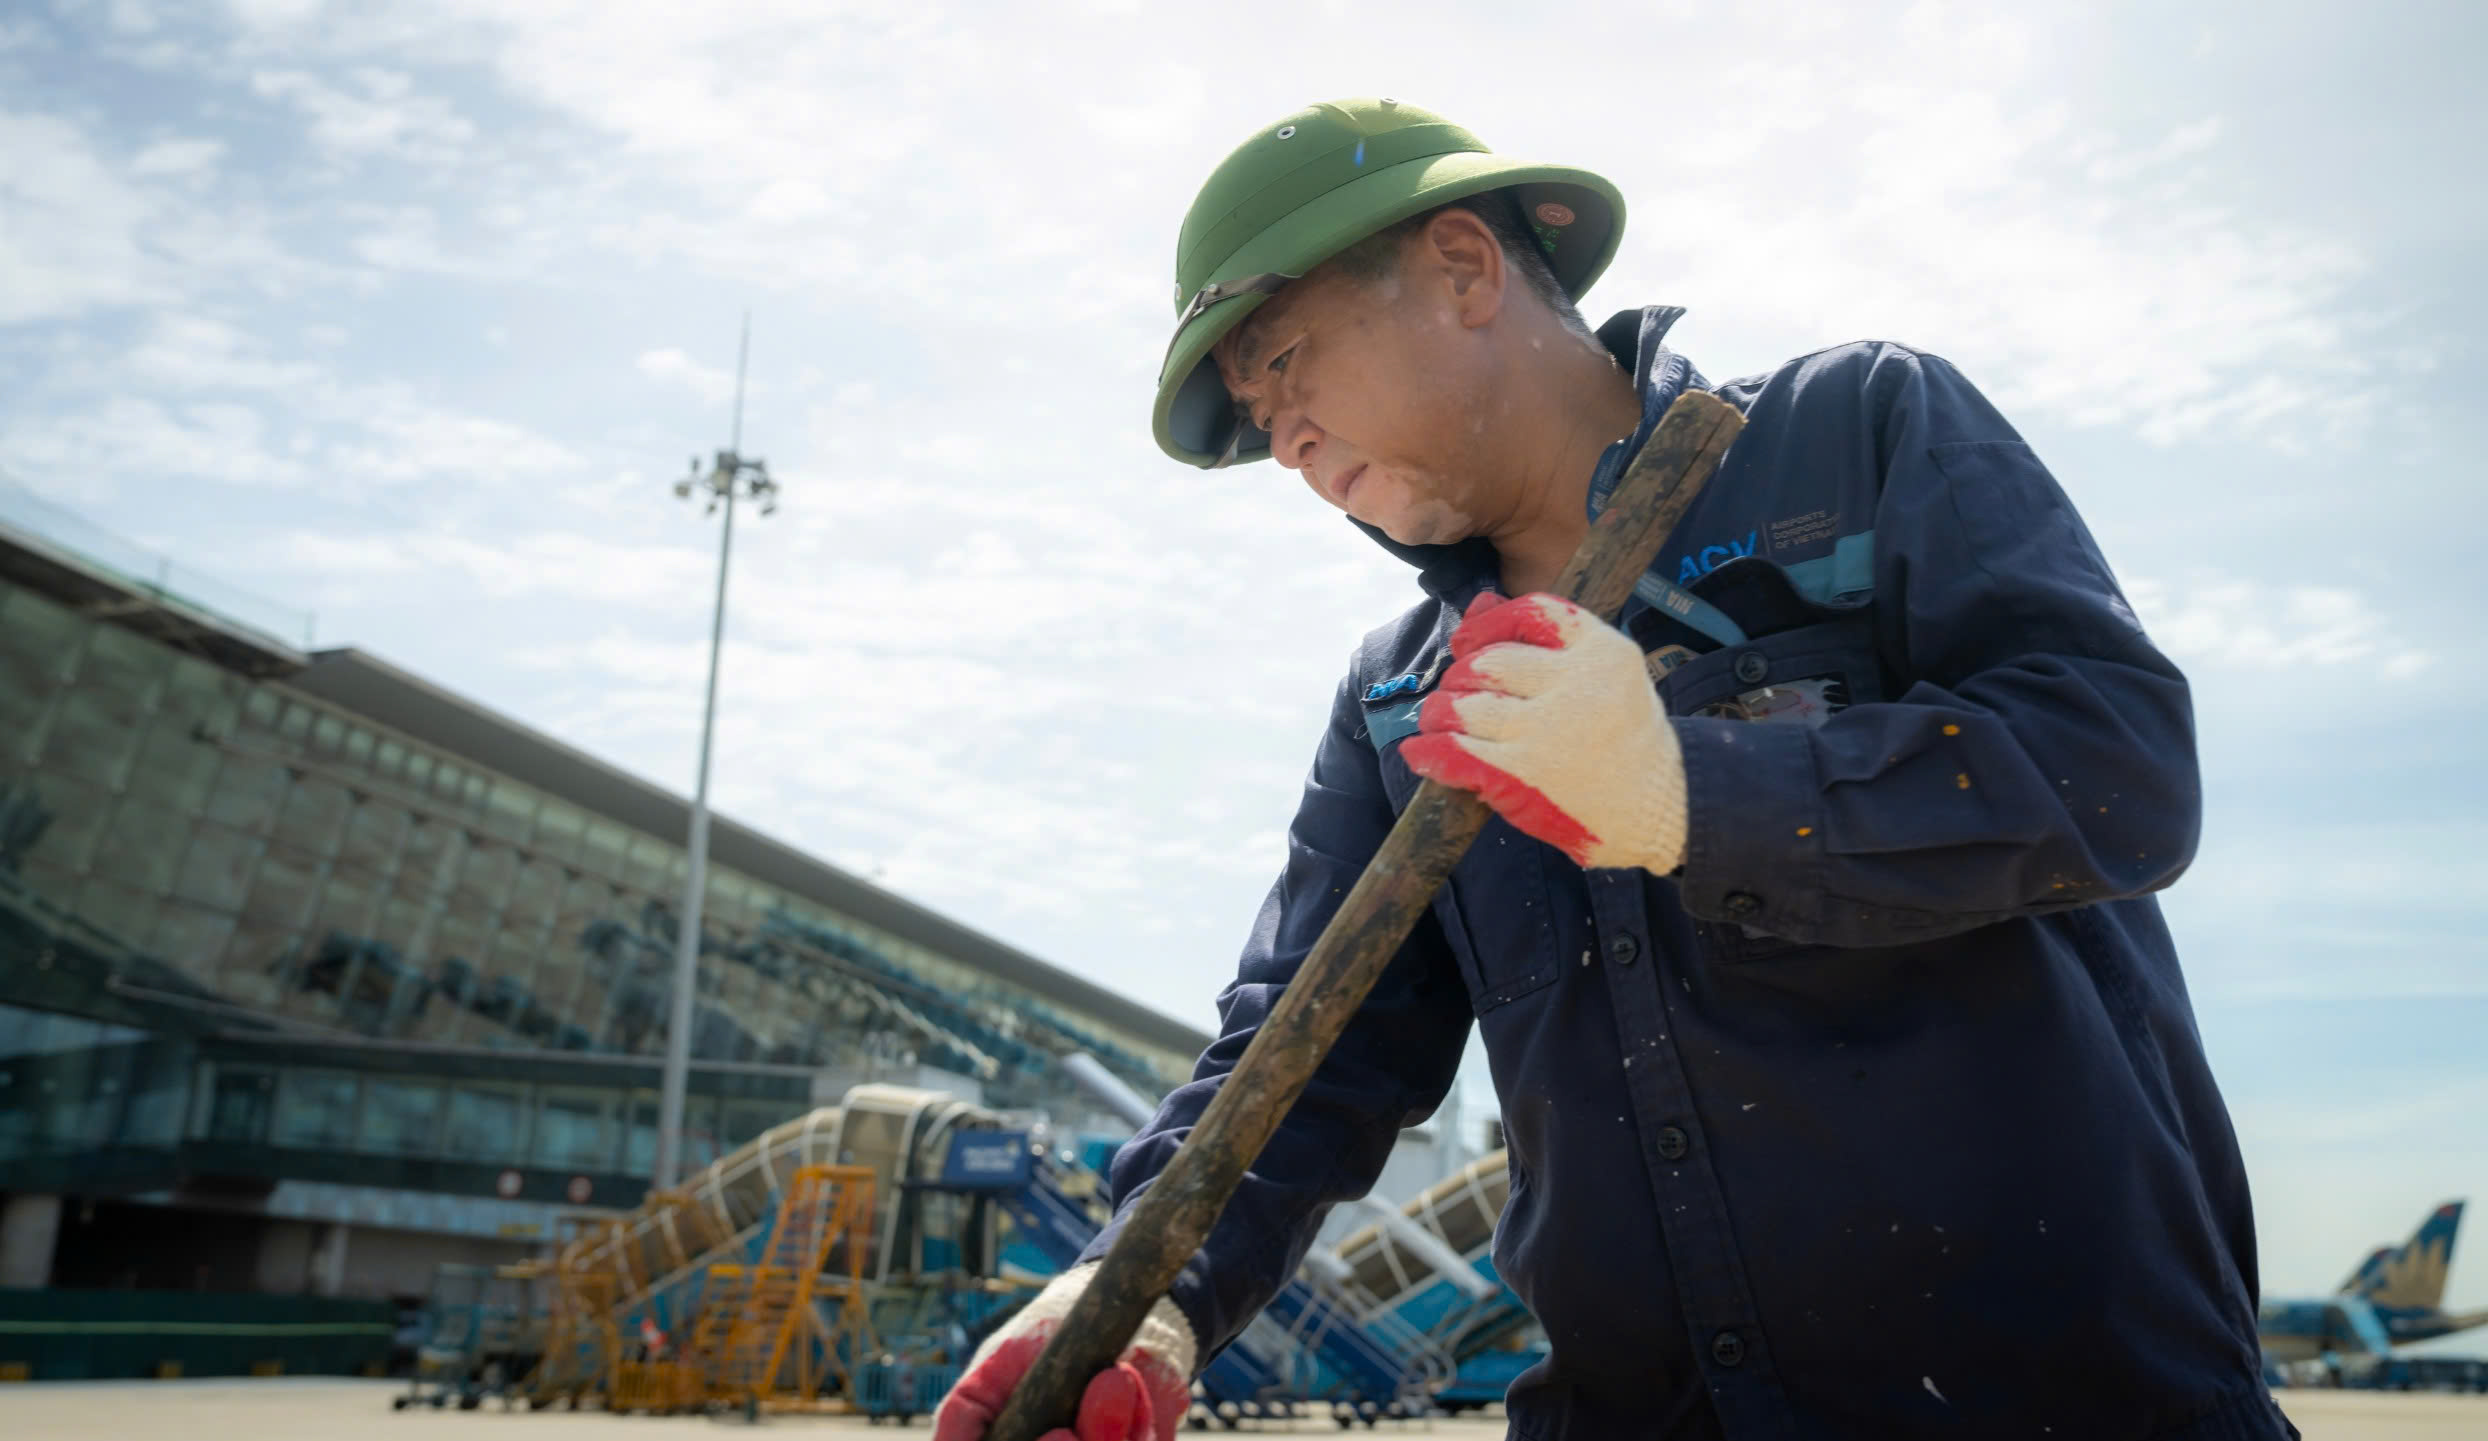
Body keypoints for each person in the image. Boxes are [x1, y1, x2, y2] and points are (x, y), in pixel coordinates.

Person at [935, 98, 2296, 1441]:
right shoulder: (1401, 701)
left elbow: (2115, 763)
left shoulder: (1855, 439)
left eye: (1287, 362)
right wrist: (1134, 1299)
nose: (1282, 438)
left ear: (1463, 267)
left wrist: (1686, 791)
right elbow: (1304, 1051)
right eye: (1254, 415)